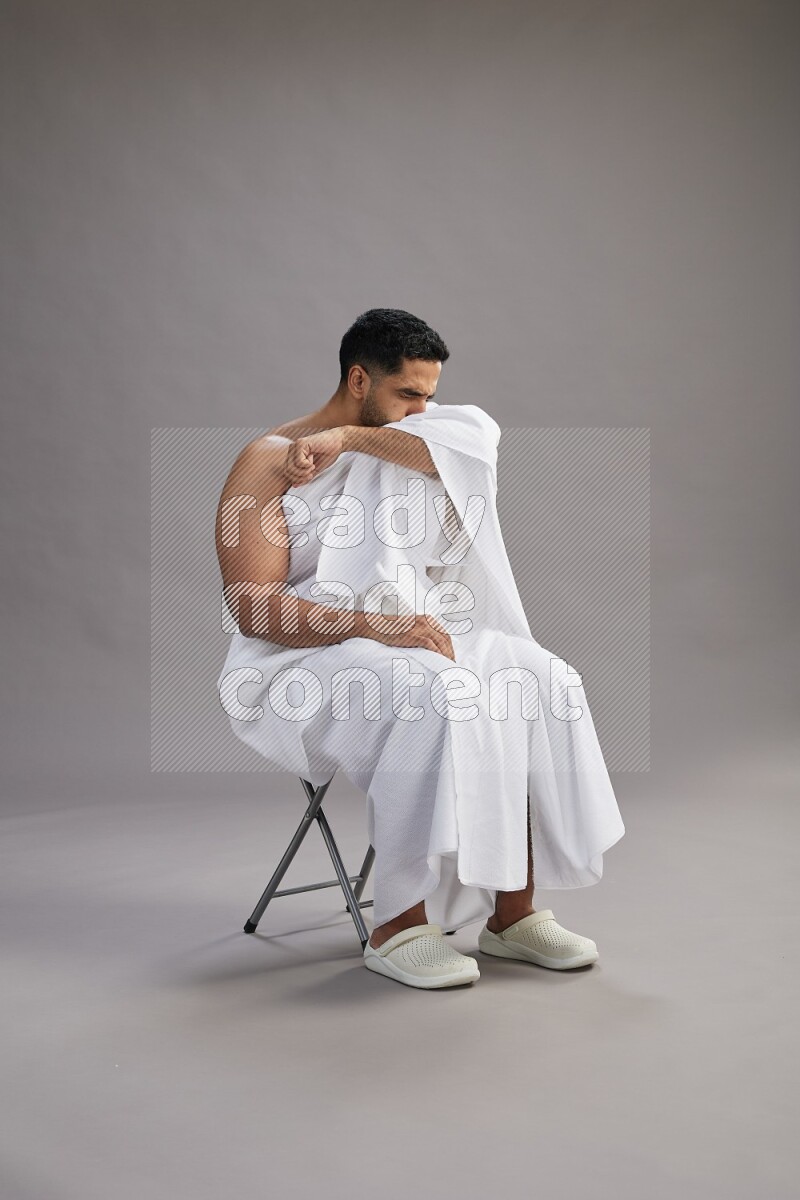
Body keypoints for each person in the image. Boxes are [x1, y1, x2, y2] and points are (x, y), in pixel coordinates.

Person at [215, 308, 625, 990]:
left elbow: (468, 454)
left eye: (430, 395)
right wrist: (370, 624)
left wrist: (348, 437)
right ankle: (398, 924)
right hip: (299, 660)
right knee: (434, 692)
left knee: (542, 678)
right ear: (358, 377)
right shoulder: (268, 461)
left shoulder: (404, 441)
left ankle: (512, 917)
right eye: (409, 394)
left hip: (409, 630)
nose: (422, 409)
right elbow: (252, 608)